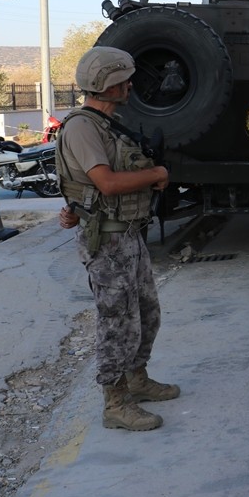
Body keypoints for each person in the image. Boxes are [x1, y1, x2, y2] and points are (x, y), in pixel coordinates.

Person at [55, 47, 178, 432]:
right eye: (122, 79)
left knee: (146, 315)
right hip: (107, 243)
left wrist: (72, 209)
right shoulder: (82, 127)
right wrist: (156, 173)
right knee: (117, 323)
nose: (128, 85)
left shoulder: (106, 124)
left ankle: (137, 379)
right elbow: (105, 182)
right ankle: (115, 401)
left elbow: (81, 187)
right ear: (105, 84)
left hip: (127, 235)